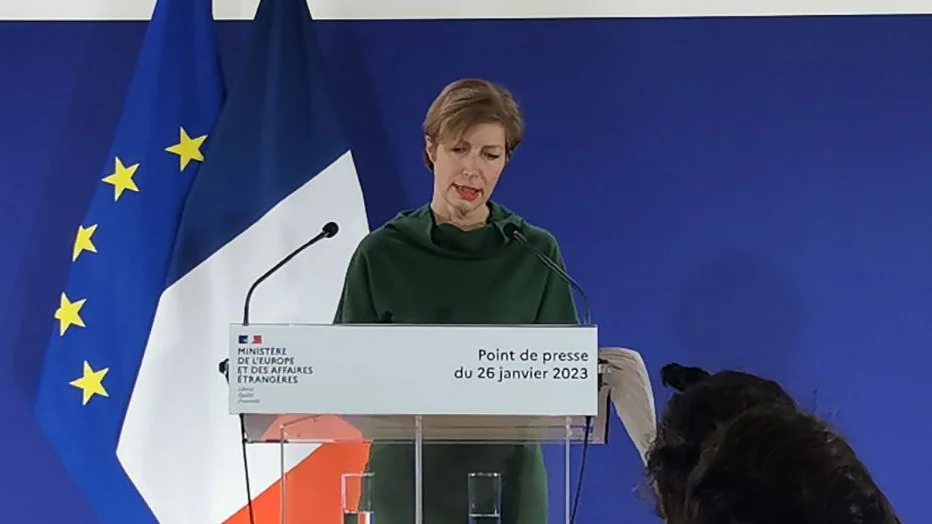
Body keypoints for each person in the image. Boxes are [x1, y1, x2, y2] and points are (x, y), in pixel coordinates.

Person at [333, 78, 578, 524]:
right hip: (406, 484)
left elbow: (563, 383)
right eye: (459, 149)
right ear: (431, 150)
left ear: (505, 161)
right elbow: (343, 379)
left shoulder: (534, 251)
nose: (472, 170)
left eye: (490, 155)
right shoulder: (382, 253)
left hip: (509, 482)